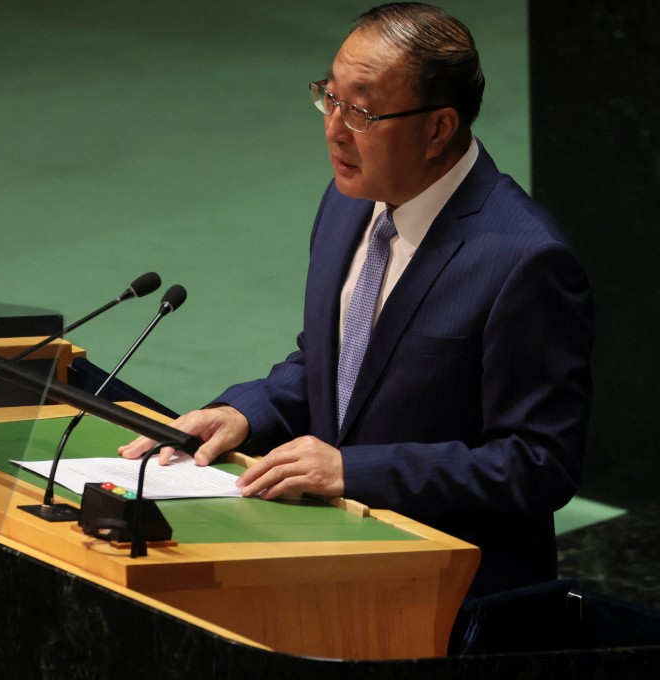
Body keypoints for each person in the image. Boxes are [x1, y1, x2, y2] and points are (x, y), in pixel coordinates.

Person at [120, 2, 593, 599]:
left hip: (450, 597)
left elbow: (537, 464)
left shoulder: (525, 260)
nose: (334, 128)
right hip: (329, 562)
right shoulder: (349, 204)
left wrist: (353, 472)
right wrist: (247, 413)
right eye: (330, 98)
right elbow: (336, 367)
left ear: (439, 128)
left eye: (363, 111)